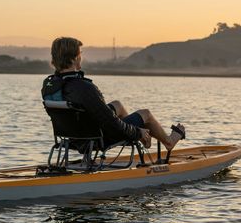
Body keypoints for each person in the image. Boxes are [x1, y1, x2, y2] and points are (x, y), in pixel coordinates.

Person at [42, 37, 185, 151]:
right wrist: (137, 132)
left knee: (118, 105)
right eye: (80, 55)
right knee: (146, 114)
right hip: (97, 138)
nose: (81, 58)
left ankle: (143, 138)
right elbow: (111, 124)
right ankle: (168, 141)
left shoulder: (49, 85)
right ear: (73, 59)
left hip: (72, 137)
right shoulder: (84, 87)